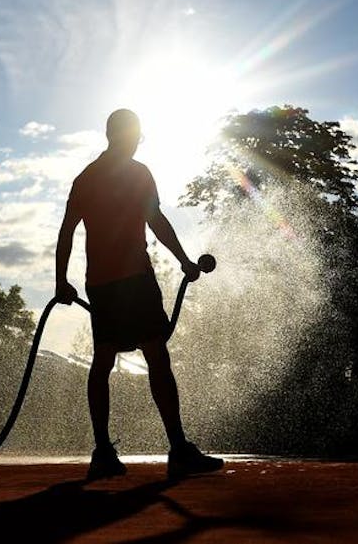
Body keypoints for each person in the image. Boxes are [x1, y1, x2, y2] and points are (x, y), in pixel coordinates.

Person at [55, 108, 224, 480]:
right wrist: (59, 281)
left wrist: (183, 260)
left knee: (121, 359)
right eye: (133, 137)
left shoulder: (95, 177)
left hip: (109, 282)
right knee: (139, 357)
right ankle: (153, 449)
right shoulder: (118, 175)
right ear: (120, 136)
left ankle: (128, 451)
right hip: (124, 280)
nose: (135, 143)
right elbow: (70, 230)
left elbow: (153, 221)